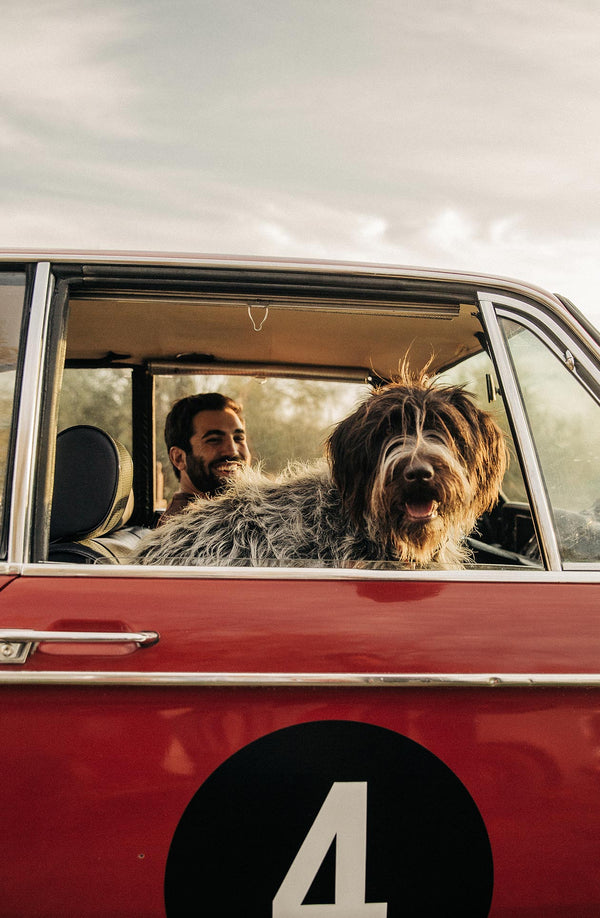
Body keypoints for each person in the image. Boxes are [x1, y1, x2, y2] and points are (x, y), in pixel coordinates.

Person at [158, 392, 251, 525]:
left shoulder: (228, 514)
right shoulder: (182, 530)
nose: (232, 450)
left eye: (238, 438)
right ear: (178, 458)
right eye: (214, 440)